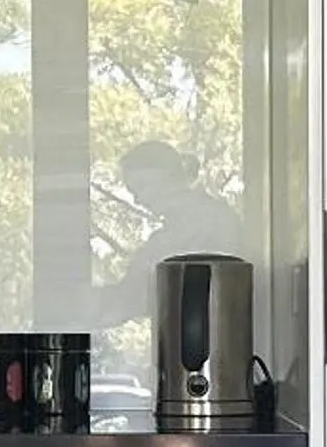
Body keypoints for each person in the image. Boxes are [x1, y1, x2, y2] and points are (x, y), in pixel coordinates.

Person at [94, 141, 246, 329]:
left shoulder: (211, 222)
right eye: (133, 192)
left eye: (141, 187)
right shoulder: (173, 234)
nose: (138, 199)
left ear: (168, 177)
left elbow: (132, 297)